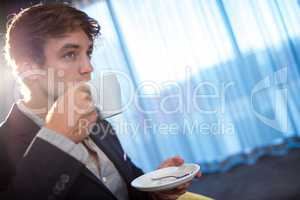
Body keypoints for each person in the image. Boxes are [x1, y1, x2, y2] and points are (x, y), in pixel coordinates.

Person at [0, 3, 201, 200]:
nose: (88, 67)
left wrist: (156, 189)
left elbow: (128, 182)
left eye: (88, 53)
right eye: (70, 54)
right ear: (27, 68)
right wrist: (57, 138)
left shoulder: (94, 118)